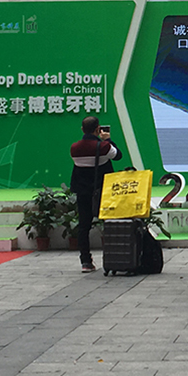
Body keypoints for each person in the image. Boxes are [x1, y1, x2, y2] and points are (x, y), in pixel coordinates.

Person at [69, 117, 122, 273]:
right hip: (102, 192)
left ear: (82, 129)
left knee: (84, 226)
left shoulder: (74, 148)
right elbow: (118, 155)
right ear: (98, 129)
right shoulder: (104, 147)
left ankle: (85, 261)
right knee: (109, 225)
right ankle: (112, 260)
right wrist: (108, 139)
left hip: (83, 193)